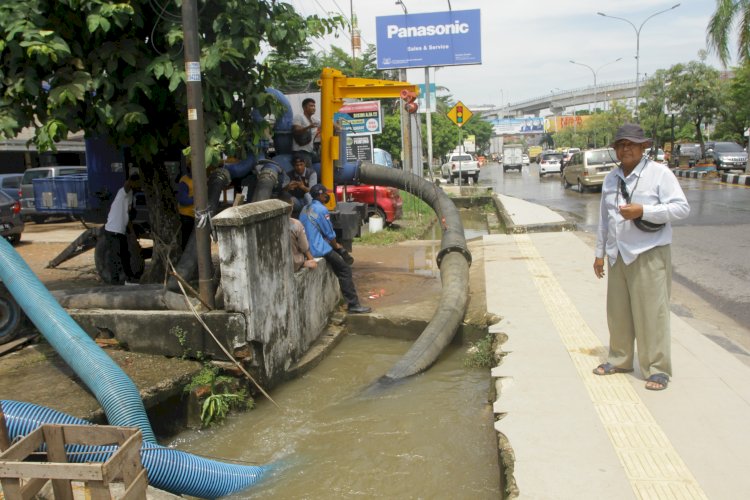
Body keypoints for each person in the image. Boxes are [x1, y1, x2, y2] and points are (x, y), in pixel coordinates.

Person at [592, 123, 690, 391]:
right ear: (615, 149)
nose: (626, 149)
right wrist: (599, 254)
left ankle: (657, 369)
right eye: (621, 144)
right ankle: (620, 359)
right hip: (618, 255)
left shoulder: (659, 174)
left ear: (642, 147)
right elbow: (604, 219)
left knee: (652, 314)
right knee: (618, 313)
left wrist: (643, 211)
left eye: (631, 144)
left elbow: (681, 209)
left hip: (649, 252)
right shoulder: (611, 179)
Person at [300, 184, 371, 314]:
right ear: (320, 195)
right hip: (318, 249)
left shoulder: (304, 208)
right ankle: (353, 304)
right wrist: (337, 246)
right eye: (325, 194)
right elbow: (330, 234)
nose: (327, 196)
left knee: (339, 263)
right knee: (345, 270)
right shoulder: (321, 209)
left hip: (307, 249)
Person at [104, 172, 142, 285]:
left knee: (125, 255)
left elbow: (128, 215)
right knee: (115, 256)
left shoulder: (130, 195)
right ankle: (114, 282)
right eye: (138, 183)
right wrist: (130, 180)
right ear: (132, 182)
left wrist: (132, 233)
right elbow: (127, 184)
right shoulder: (123, 191)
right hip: (113, 229)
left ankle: (129, 278)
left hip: (121, 230)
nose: (139, 186)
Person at [292, 98, 320, 169]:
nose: (313, 108)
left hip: (310, 151)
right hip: (301, 152)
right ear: (304, 107)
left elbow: (327, 122)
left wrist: (338, 127)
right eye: (311, 106)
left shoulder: (314, 119)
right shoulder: (299, 117)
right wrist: (308, 127)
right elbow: (296, 130)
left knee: (324, 159)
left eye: (314, 106)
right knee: (309, 174)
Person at [176, 166, 194, 249]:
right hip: (187, 216)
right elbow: (183, 200)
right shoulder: (184, 181)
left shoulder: (200, 178)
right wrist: (196, 199)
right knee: (186, 240)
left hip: (196, 215)